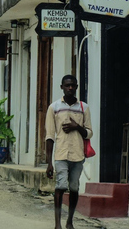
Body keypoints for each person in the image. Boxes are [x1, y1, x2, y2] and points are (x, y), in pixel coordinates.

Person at [45, 74, 93, 229]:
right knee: (60, 186)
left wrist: (76, 127)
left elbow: (89, 132)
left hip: (78, 155)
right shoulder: (54, 107)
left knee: (74, 188)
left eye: (73, 85)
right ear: (62, 87)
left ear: (77, 87)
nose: (70, 88)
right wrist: (49, 163)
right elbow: (50, 136)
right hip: (61, 154)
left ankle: (70, 221)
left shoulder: (83, 107)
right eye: (67, 85)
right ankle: (57, 224)